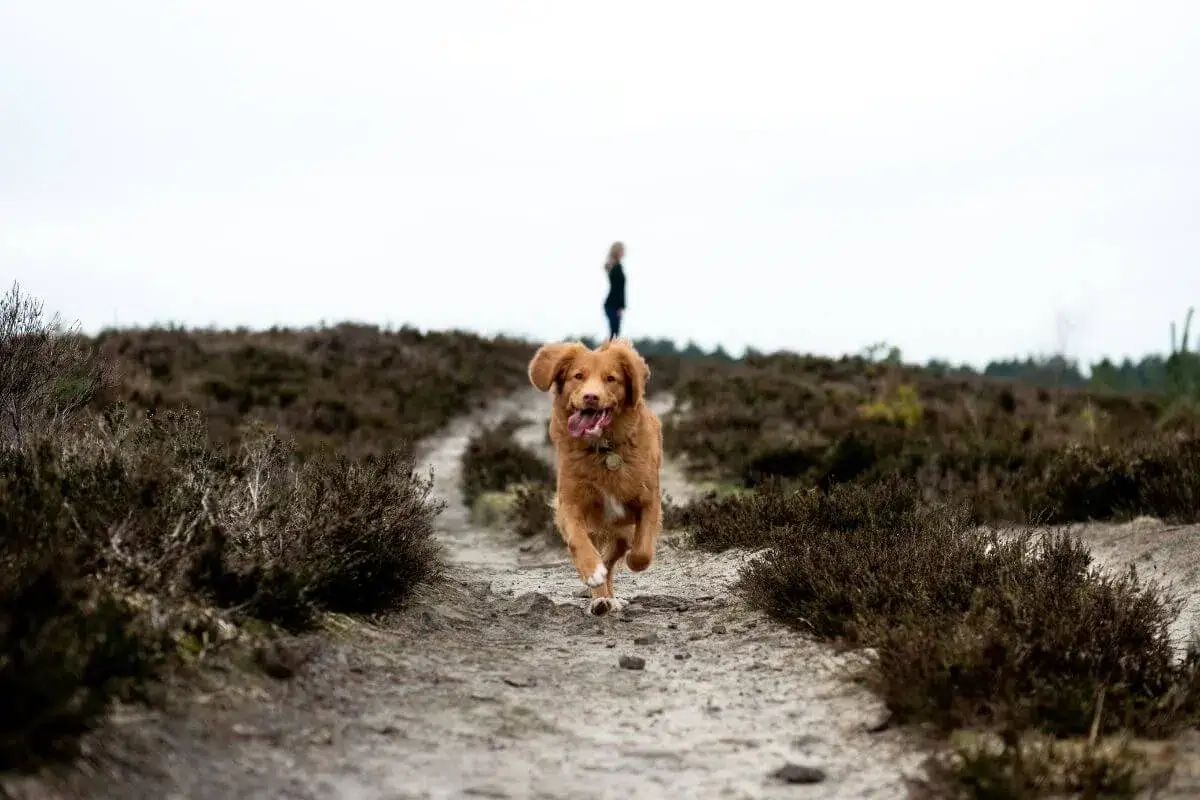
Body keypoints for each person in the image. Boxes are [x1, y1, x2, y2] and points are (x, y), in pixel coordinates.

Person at [603, 241, 626, 340]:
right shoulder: (617, 267)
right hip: (613, 305)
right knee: (615, 334)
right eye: (622, 250)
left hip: (611, 304)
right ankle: (611, 354)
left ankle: (611, 353)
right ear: (618, 252)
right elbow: (618, 289)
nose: (624, 253)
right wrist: (620, 306)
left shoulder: (614, 266)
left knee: (614, 333)